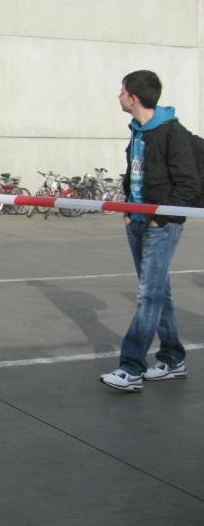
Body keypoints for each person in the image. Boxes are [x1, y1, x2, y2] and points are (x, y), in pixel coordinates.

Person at [100, 70, 198, 392]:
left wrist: (160, 218)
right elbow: (135, 175)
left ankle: (131, 367)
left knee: (148, 294)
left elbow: (187, 183)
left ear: (134, 97)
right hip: (137, 221)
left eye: (122, 91)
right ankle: (173, 358)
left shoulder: (172, 132)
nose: (118, 96)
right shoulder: (137, 131)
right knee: (158, 292)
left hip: (161, 226)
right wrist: (130, 211)